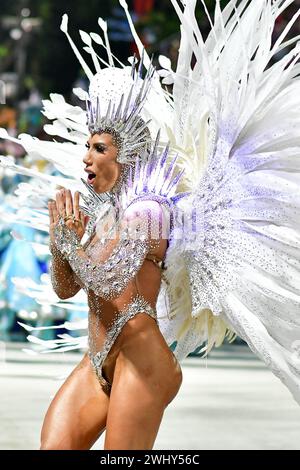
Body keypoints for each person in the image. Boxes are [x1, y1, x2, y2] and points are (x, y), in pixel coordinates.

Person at [1, 0, 300, 451]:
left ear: (125, 154)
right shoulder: (103, 215)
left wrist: (68, 241)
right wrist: (60, 243)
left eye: (99, 147)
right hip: (98, 357)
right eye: (87, 146)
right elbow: (67, 289)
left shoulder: (150, 209)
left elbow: (110, 276)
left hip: (143, 361)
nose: (86, 157)